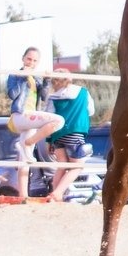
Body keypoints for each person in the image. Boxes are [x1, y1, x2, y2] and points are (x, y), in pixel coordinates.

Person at [6, 47, 64, 164]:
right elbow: (12, 95)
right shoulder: (15, 75)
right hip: (20, 115)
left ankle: (25, 144)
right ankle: (28, 142)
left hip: (31, 119)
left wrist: (47, 80)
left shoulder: (36, 77)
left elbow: (44, 97)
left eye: (34, 61)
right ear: (23, 58)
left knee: (26, 162)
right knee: (59, 121)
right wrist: (23, 77)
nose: (31, 63)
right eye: (29, 59)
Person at [45, 69, 94, 201]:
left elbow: (50, 119)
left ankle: (55, 195)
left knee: (62, 164)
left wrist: (49, 140)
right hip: (75, 132)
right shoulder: (83, 92)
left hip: (57, 134)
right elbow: (91, 111)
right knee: (77, 166)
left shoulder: (52, 97)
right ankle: (58, 193)